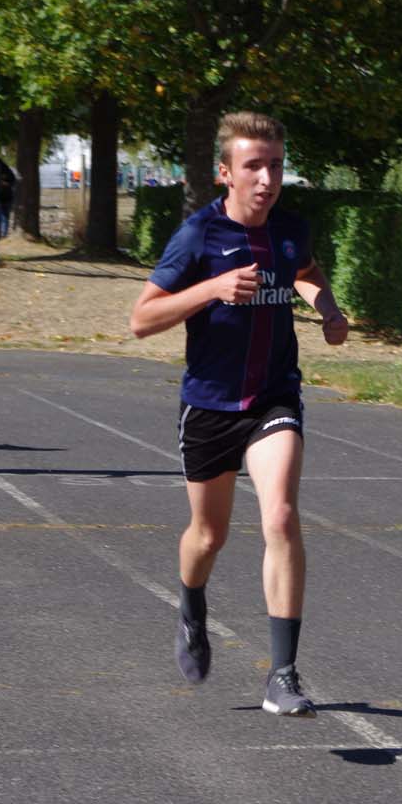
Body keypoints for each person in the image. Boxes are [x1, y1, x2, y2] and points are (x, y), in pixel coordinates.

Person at [129, 112, 349, 717]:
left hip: (274, 397)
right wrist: (212, 289)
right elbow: (141, 319)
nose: (267, 178)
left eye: (275, 165)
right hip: (208, 405)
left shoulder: (290, 229)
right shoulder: (199, 236)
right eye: (254, 165)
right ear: (226, 173)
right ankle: (192, 606)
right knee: (209, 535)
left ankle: (283, 674)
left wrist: (328, 307)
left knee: (279, 514)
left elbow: (305, 271)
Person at [0, 156, 17, 239]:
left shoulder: (0, 168)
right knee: (2, 217)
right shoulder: (3, 168)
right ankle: (1, 236)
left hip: (4, 196)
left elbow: (12, 180)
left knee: (1, 217)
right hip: (4, 195)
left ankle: (1, 236)